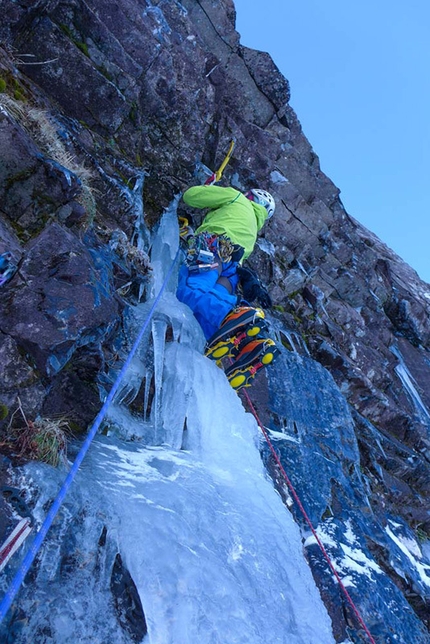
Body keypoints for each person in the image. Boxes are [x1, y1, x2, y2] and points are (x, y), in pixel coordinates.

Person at [176, 184, 279, 390]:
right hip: (230, 271)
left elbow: (191, 196)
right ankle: (247, 346)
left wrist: (209, 186)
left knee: (189, 293)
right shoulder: (251, 232)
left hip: (211, 250)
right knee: (204, 316)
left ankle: (233, 316)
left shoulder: (236, 198)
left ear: (251, 197)